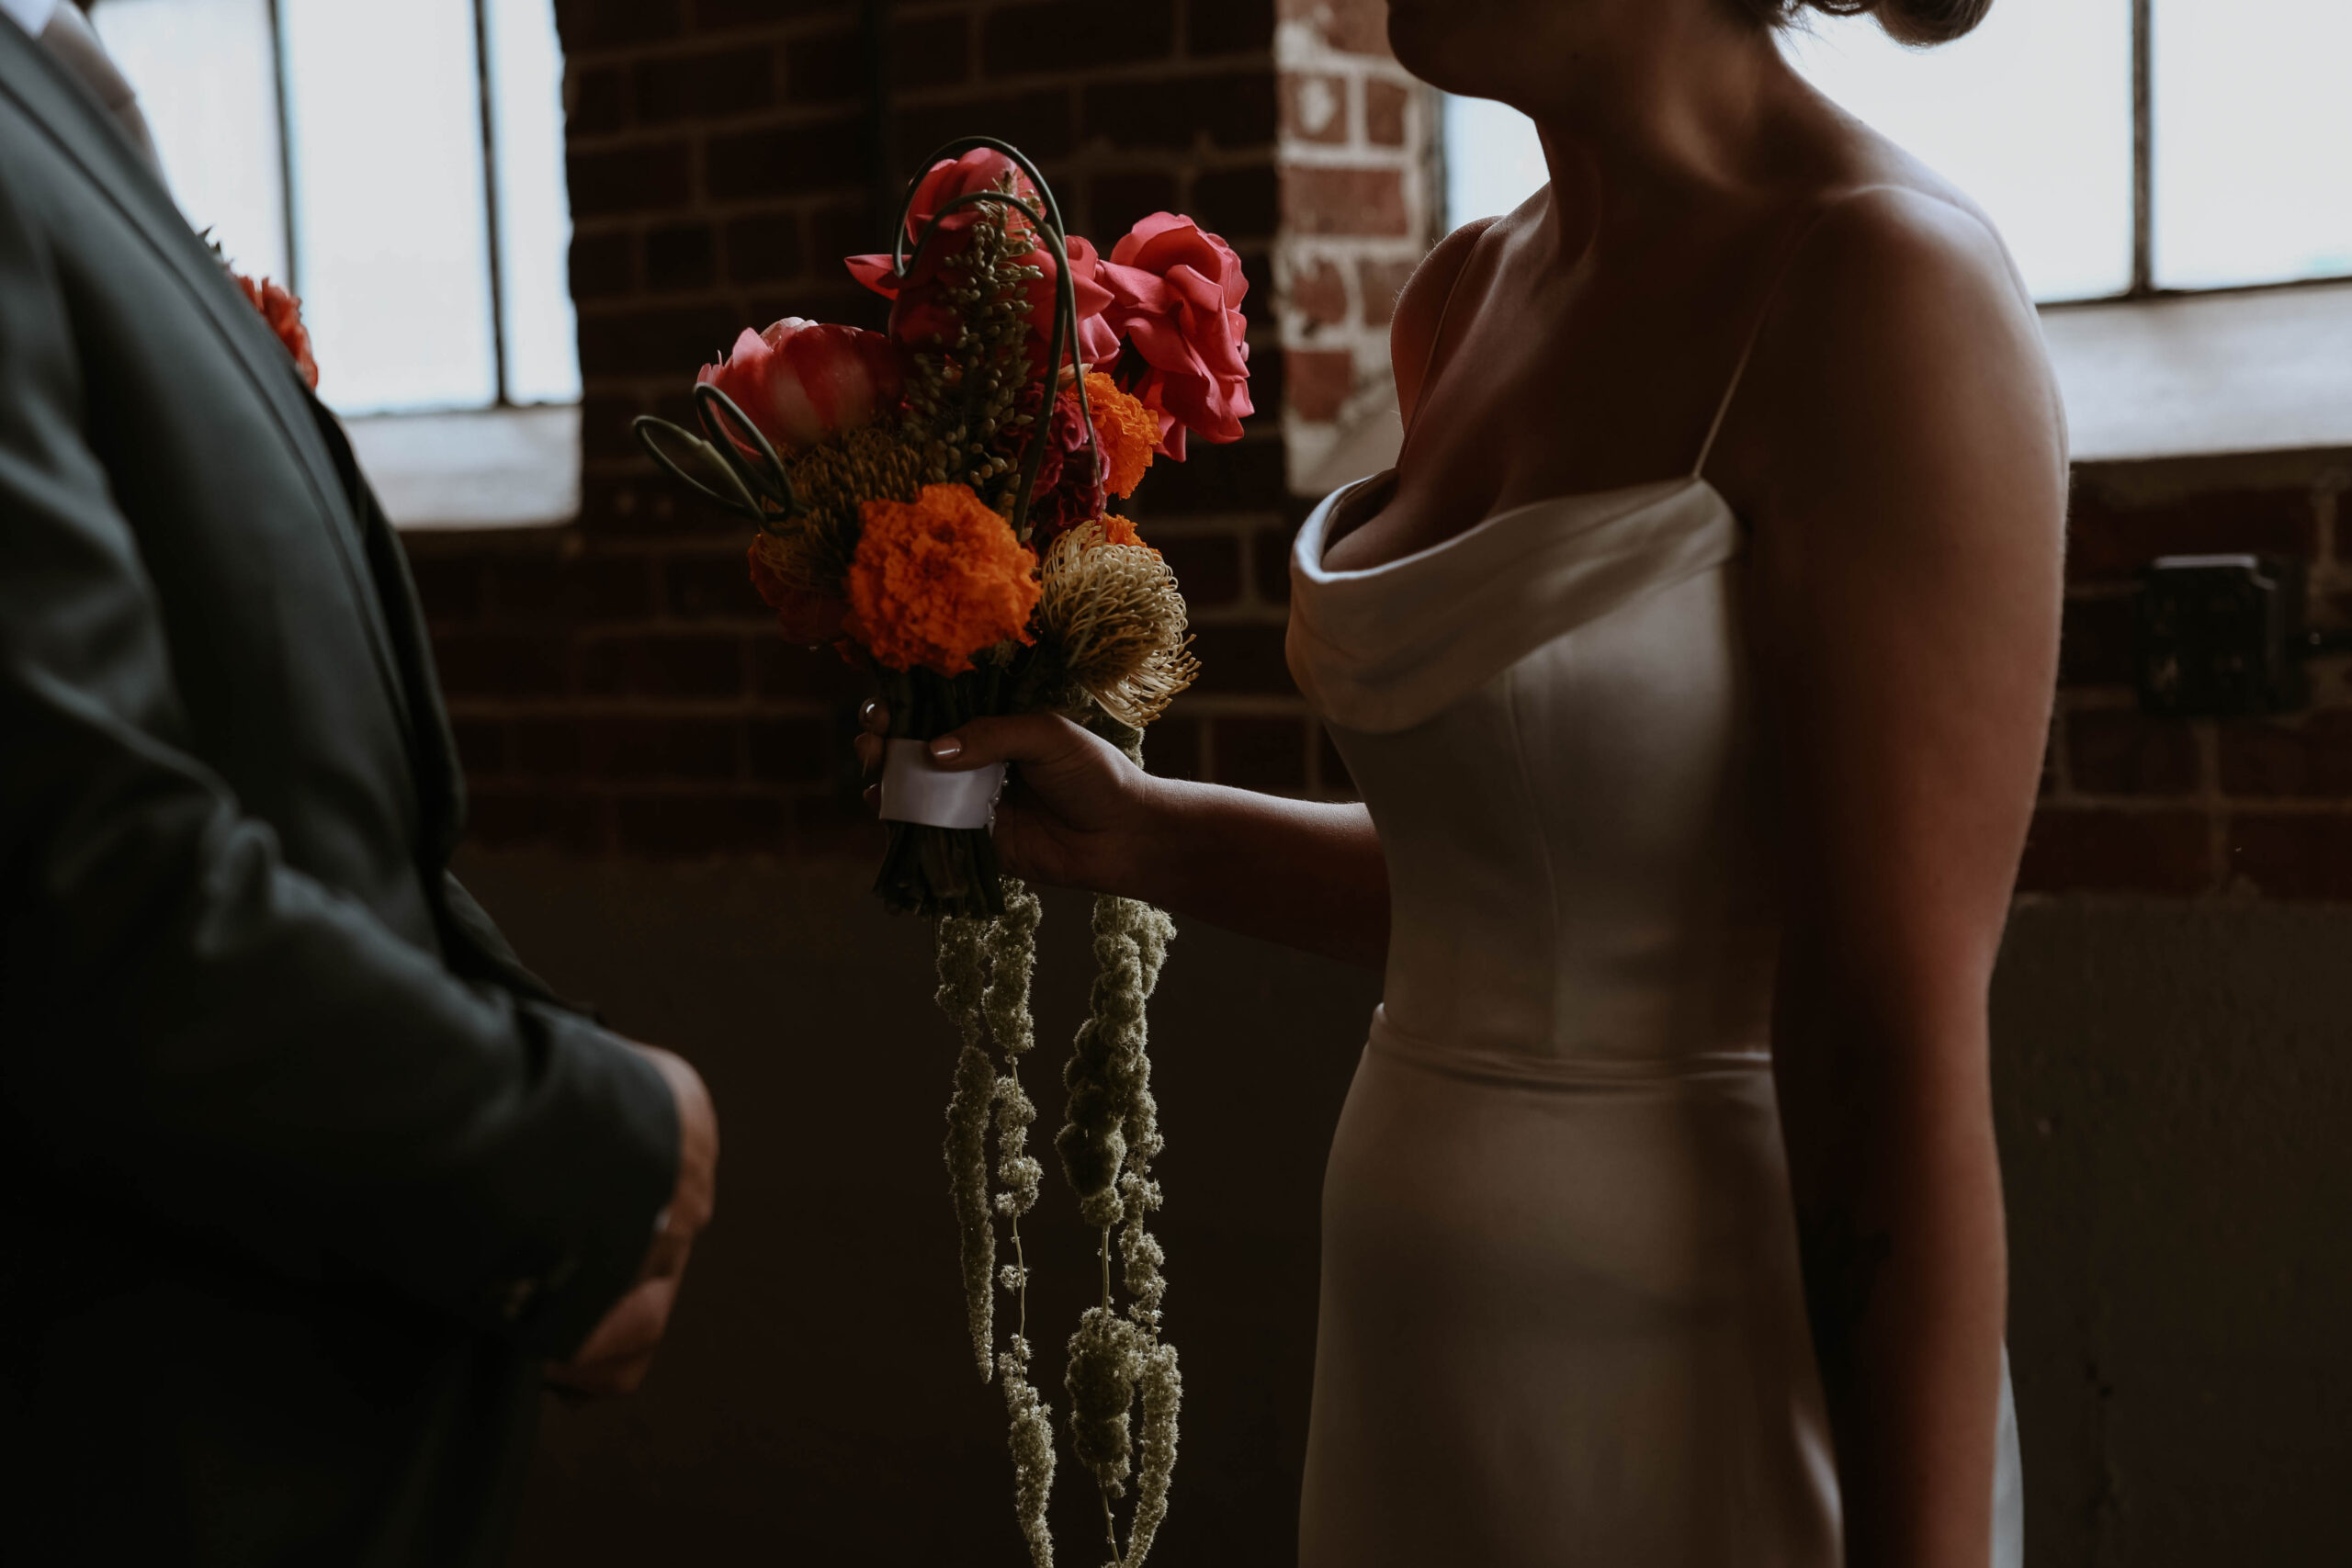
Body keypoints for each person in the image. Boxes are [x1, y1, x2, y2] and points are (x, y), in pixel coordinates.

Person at [862, 0, 2063, 1561]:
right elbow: (1530, 883)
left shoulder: (1880, 288)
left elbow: (1889, 1043)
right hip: (1418, 1359)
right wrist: (1157, 836)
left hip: (1709, 1368)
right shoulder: (1463, 297)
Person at [0, 7, 717, 1562]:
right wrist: (574, 1158)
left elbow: (253, 750)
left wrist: (512, 1024)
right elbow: (63, 878)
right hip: (139, 1448)